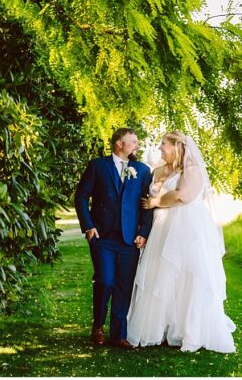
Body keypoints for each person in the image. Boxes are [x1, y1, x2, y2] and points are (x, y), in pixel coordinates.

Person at [126, 131, 235, 353]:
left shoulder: (192, 170)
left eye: (163, 144)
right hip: (161, 228)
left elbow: (182, 196)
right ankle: (159, 329)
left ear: (177, 147)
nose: (159, 148)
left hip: (186, 229)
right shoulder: (157, 171)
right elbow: (143, 201)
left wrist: (156, 201)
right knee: (160, 276)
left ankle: (189, 331)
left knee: (188, 277)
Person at [74, 127, 154, 349]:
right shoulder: (98, 166)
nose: (136, 145)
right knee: (105, 280)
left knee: (123, 286)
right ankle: (98, 326)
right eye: (133, 141)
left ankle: (118, 334)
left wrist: (143, 232)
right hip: (103, 237)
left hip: (129, 239)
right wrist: (88, 226)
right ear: (119, 143)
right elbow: (81, 196)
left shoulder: (143, 170)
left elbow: (146, 205)